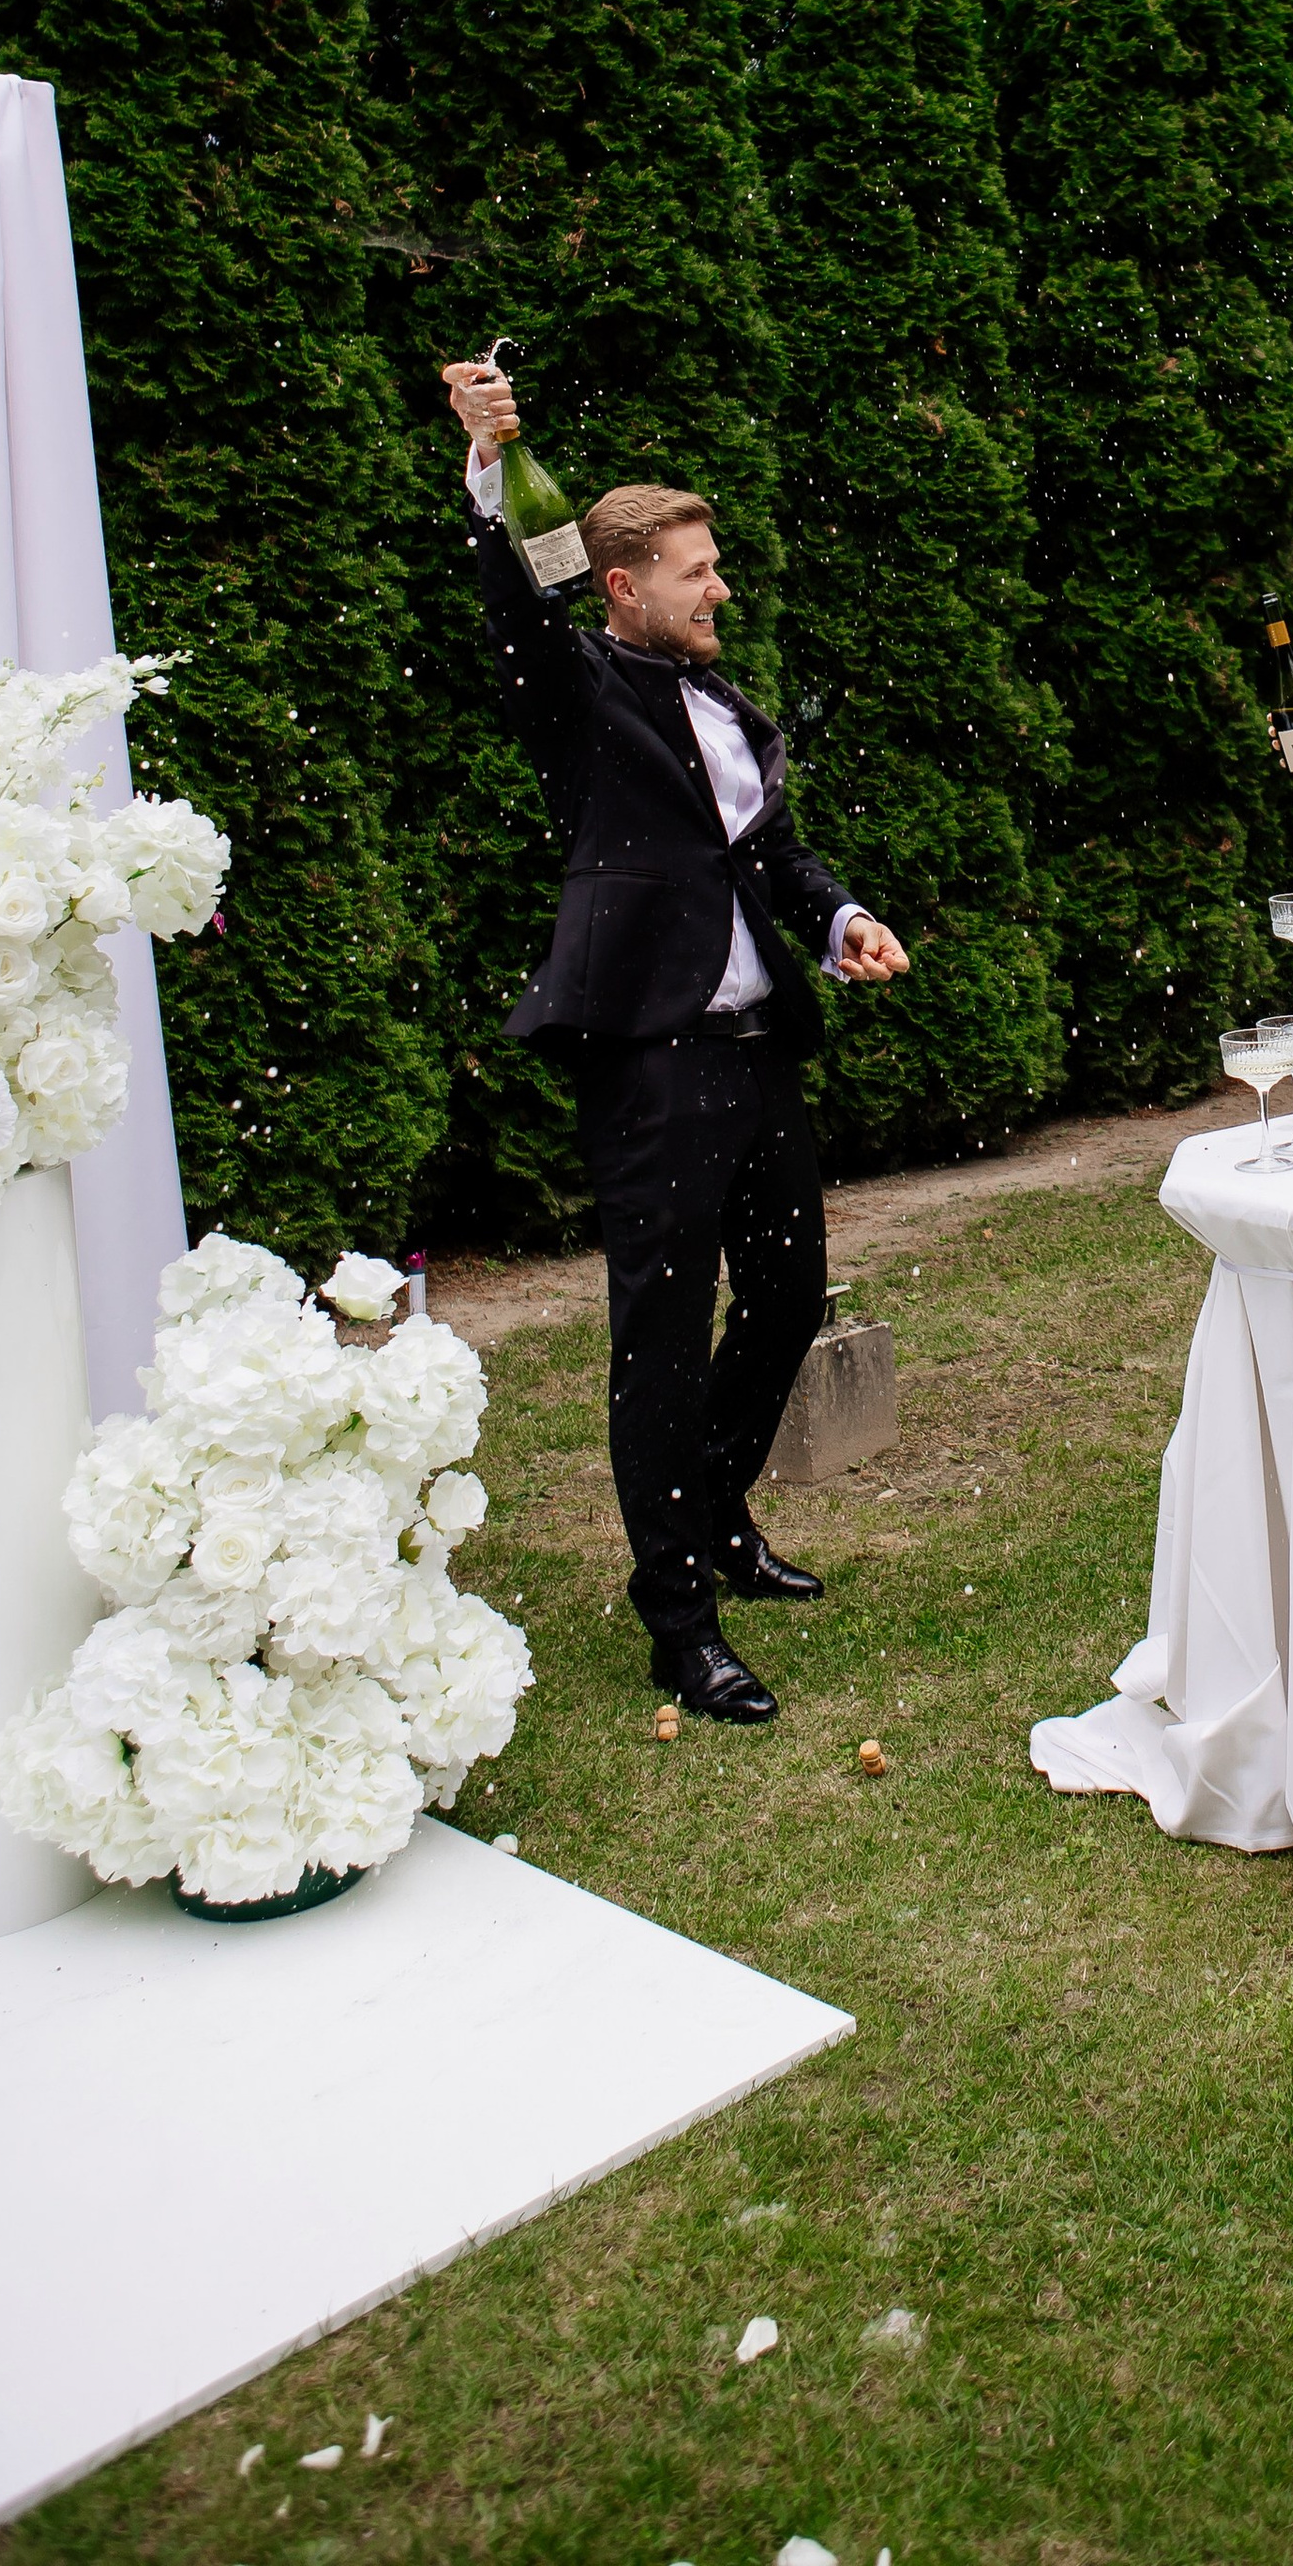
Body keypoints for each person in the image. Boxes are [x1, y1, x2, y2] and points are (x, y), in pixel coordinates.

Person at [443, 358, 910, 1726]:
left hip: (760, 1051)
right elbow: (517, 603)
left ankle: (714, 1521)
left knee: (779, 1305)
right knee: (662, 1335)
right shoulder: (580, 691)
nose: (721, 591)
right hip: (650, 1062)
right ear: (623, 590)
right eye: (697, 573)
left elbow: (773, 858)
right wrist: (489, 463)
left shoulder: (728, 708)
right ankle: (679, 1627)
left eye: (717, 568)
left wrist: (843, 922)